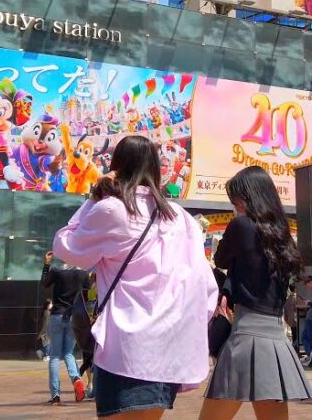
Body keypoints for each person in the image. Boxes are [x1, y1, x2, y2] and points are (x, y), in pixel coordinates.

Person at [53, 135, 218, 419]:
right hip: (168, 352)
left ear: (116, 167)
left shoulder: (112, 209)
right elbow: (206, 288)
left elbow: (65, 246)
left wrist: (94, 198)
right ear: (156, 168)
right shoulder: (181, 218)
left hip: (125, 350)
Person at [200, 166, 312, 419]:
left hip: (245, 336)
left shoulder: (241, 225)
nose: (235, 205)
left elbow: (221, 259)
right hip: (276, 339)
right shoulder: (281, 235)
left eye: (236, 200)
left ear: (247, 197)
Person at [40, 250, 91, 404]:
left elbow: (44, 284)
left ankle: (55, 395)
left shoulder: (57, 272)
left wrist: (46, 264)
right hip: (74, 317)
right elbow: (87, 295)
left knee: (55, 355)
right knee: (69, 352)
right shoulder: (83, 273)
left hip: (57, 315)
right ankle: (76, 379)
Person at [298, 277, 312, 366]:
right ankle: (311, 355)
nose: (307, 288)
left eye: (307, 285)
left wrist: (308, 303)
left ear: (310, 282)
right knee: (307, 336)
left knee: (307, 337)